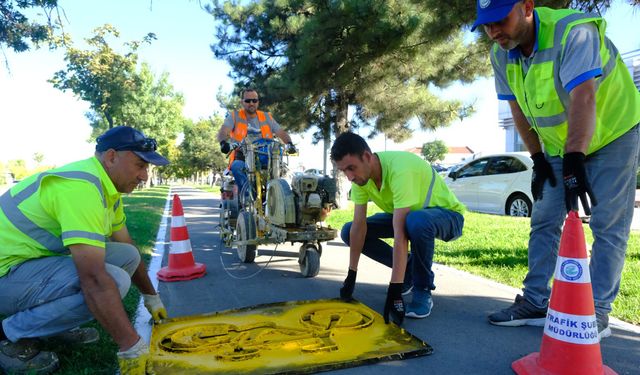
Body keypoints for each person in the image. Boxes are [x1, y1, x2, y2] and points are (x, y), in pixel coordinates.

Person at [472, 0, 640, 339]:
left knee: (608, 222)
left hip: (614, 132)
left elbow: (584, 97)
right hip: (559, 144)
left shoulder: (572, 31)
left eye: (500, 20)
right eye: (486, 25)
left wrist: (575, 156)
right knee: (545, 216)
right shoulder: (501, 53)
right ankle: (535, 302)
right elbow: (516, 108)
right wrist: (536, 159)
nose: (493, 32)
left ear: (527, 7)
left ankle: (595, 313)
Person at [0, 126, 171, 374]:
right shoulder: (81, 188)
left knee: (127, 256)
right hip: (5, 275)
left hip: (23, 265)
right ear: (111, 157)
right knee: (113, 280)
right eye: (140, 165)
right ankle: (10, 336)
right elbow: (93, 279)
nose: (144, 176)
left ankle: (53, 324)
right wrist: (130, 346)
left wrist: (150, 296)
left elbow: (128, 246)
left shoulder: (103, 187)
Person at [330, 132, 465, 325]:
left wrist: (394, 289)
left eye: (352, 168)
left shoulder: (400, 169)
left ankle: (422, 290)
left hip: (447, 216)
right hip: (410, 216)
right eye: (344, 171)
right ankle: (409, 269)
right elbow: (359, 227)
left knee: (416, 222)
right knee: (348, 230)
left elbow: (400, 233)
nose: (349, 176)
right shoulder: (361, 179)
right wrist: (351, 274)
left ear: (367, 156)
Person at [217, 88, 297, 201]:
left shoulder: (266, 117)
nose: (251, 103)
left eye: (254, 100)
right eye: (248, 100)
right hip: (243, 157)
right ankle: (248, 199)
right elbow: (224, 130)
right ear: (242, 102)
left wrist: (289, 143)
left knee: (282, 172)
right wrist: (223, 142)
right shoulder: (235, 116)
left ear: (258, 102)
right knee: (237, 167)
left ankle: (277, 200)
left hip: (266, 158)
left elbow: (281, 132)